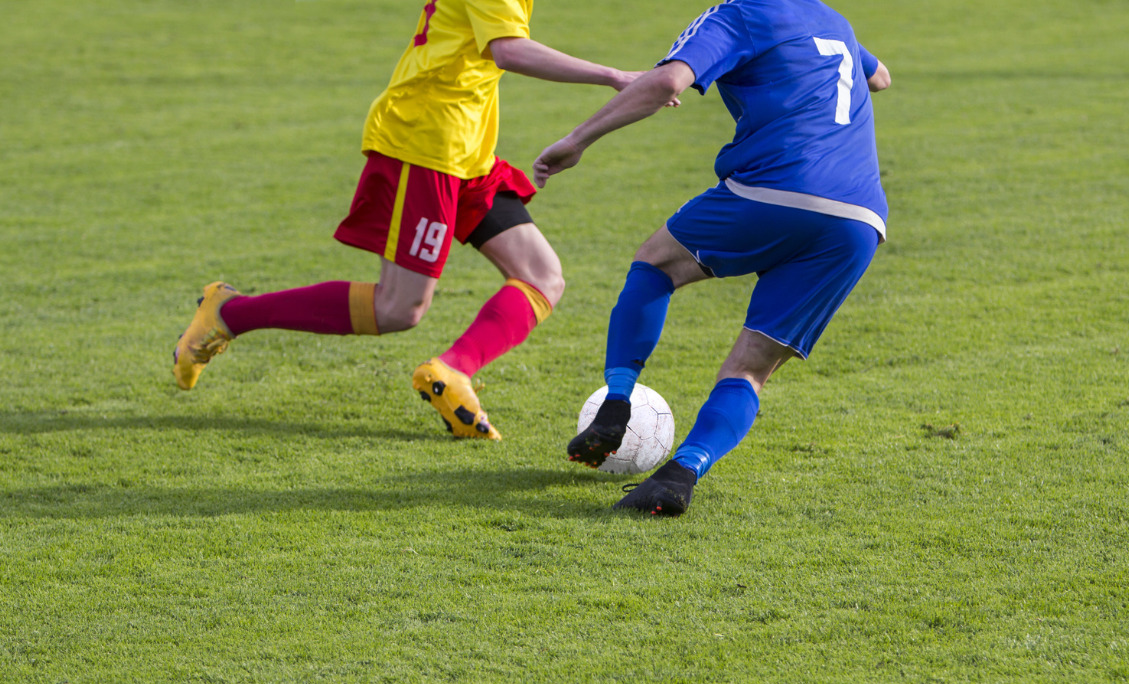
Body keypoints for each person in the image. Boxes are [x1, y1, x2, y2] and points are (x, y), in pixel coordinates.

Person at [172, 0, 645, 441]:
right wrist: (613, 76)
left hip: (466, 151)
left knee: (542, 275)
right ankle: (229, 312)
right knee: (399, 308)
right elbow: (508, 50)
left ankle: (454, 371)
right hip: (425, 145)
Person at [534, 0, 892, 514]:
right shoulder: (831, 19)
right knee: (751, 369)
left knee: (656, 263)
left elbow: (666, 83)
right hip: (858, 220)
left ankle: (616, 404)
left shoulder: (737, 13)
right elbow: (879, 77)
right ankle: (681, 474)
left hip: (775, 190)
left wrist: (577, 140)